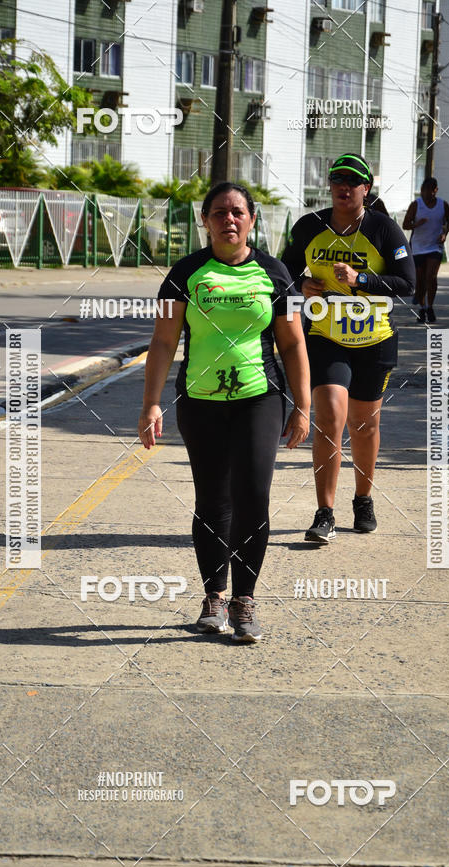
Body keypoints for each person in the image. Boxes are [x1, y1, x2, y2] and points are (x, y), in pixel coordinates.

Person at [138, 182, 310, 642]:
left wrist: (303, 406)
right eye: (219, 212)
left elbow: (293, 343)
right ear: (205, 221)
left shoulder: (276, 274)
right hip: (200, 402)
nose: (228, 220)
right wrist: (151, 403)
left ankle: (244, 600)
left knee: (253, 497)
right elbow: (163, 342)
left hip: (260, 398)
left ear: (252, 219)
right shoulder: (184, 273)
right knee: (213, 500)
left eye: (237, 212)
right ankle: (214, 596)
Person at [281, 153, 415, 542]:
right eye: (338, 179)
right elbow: (284, 271)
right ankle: (324, 512)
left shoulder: (384, 228)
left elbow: (407, 284)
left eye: (353, 181)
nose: (344, 187)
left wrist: (362, 280)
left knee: (364, 425)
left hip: (374, 340)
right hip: (326, 337)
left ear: (365, 189)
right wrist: (301, 284)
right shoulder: (310, 225)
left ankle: (363, 499)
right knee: (329, 419)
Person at [403, 177, 449, 323]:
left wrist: (444, 233)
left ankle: (430, 306)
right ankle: (422, 308)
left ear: (435, 190)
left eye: (429, 190)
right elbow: (405, 224)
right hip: (418, 247)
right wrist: (416, 224)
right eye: (423, 190)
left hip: (434, 246)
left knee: (431, 277)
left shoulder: (443, 205)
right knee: (420, 280)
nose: (426, 193)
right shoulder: (416, 205)